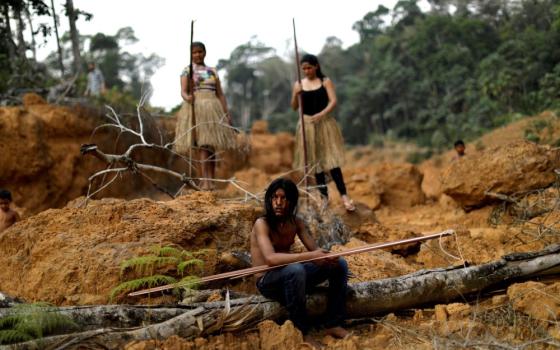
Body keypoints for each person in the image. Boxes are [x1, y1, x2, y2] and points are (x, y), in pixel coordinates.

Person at [251, 178, 350, 347]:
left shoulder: (296, 223)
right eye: (275, 198)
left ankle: (334, 323)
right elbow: (271, 259)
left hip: (291, 276)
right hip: (267, 281)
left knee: (339, 265)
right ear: (270, 200)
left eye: (284, 198)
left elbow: (315, 252)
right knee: (296, 270)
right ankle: (302, 331)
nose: (278, 203)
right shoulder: (262, 224)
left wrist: (325, 258)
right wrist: (310, 257)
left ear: (292, 201)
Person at [291, 54, 355, 212]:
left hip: (324, 124)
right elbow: (294, 107)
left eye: (309, 68)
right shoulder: (299, 84)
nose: (306, 71)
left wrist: (322, 114)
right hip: (307, 126)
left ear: (316, 66)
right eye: (303, 68)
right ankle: (324, 200)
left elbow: (333, 101)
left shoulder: (325, 81)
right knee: (317, 165)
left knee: (332, 162)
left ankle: (344, 196)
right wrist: (295, 93)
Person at [175, 42, 236, 190]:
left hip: (212, 108)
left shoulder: (212, 71)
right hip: (196, 108)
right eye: (194, 52)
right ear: (191, 54)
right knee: (202, 146)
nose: (197, 55)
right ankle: (204, 181)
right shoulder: (186, 71)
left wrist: (226, 113)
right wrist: (188, 97)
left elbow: (220, 94)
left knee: (210, 147)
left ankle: (211, 180)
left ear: (205, 53)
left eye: (200, 52)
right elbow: (183, 91)